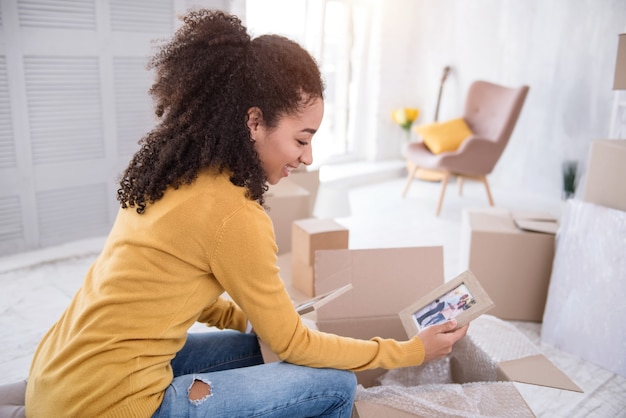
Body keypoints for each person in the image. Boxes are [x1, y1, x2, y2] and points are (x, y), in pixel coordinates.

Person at [25, 10, 468, 417]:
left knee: (257, 346)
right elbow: (295, 345)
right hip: (105, 405)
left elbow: (171, 289)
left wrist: (247, 317)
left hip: (61, 379)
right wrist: (411, 351)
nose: (309, 157)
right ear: (254, 121)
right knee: (334, 384)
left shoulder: (172, 175)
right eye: (301, 139)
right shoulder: (235, 217)